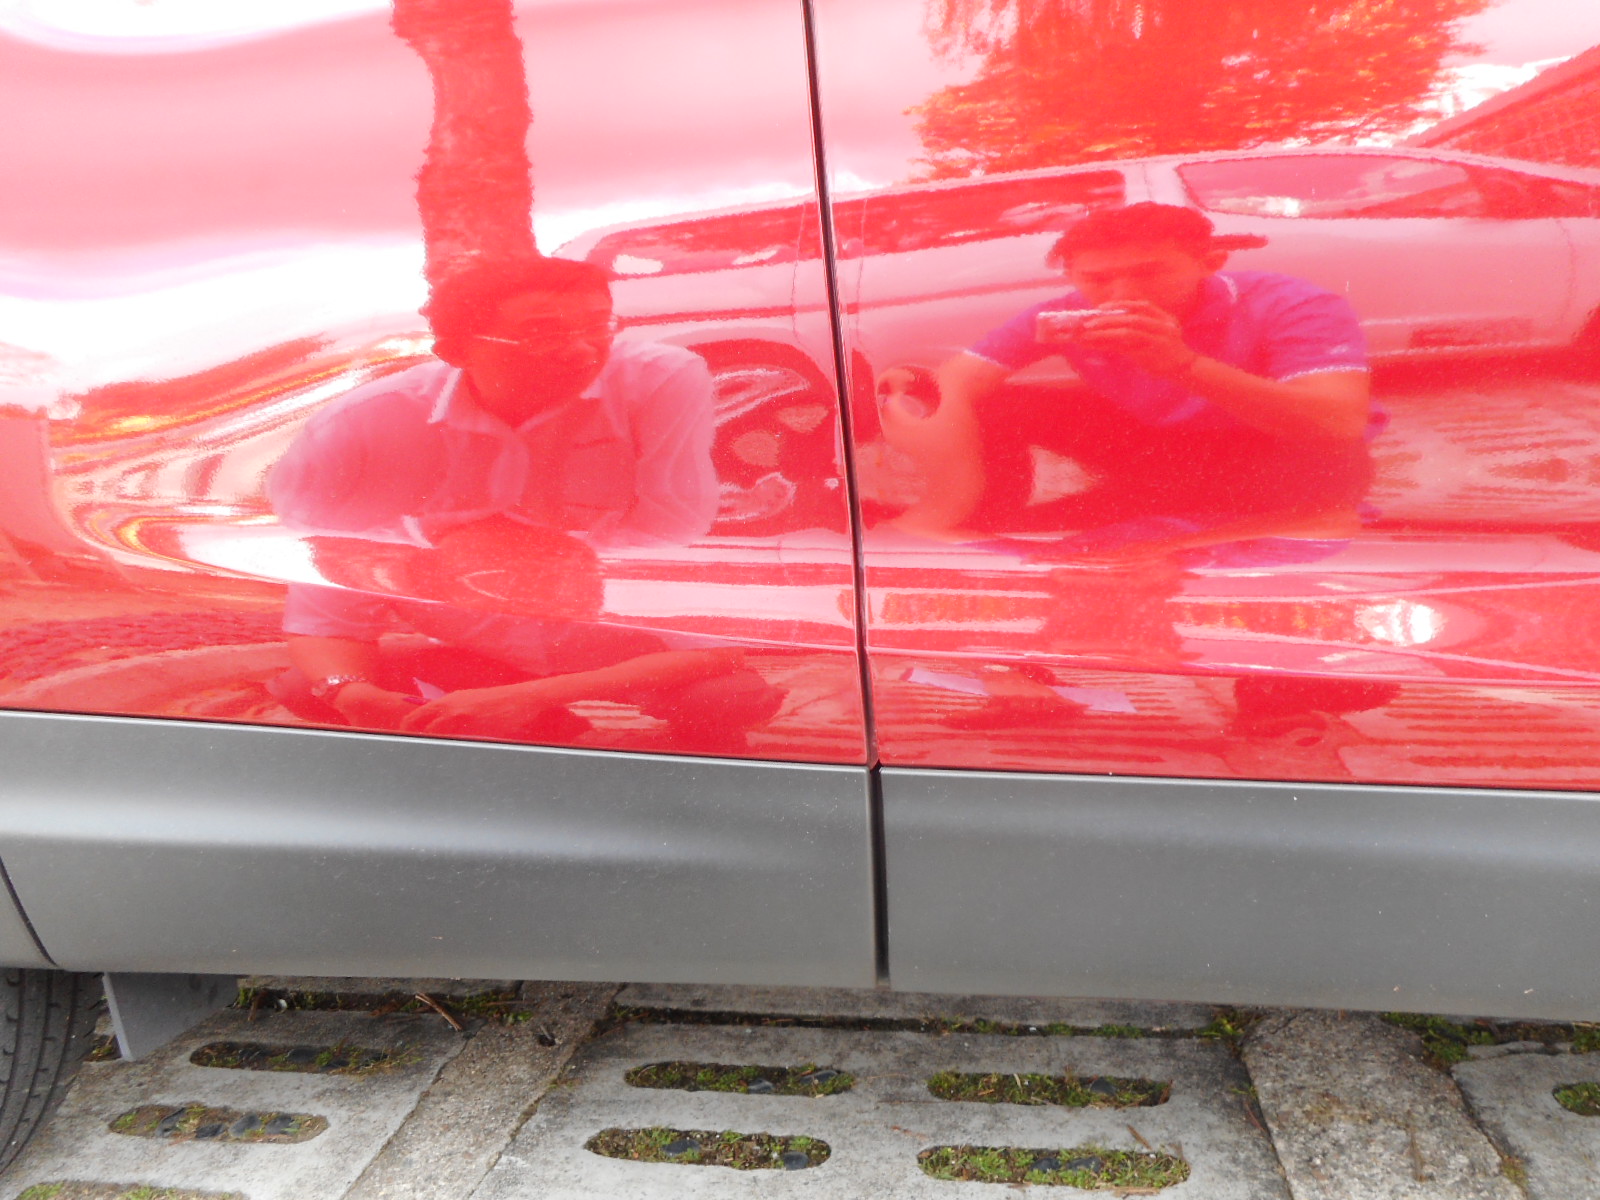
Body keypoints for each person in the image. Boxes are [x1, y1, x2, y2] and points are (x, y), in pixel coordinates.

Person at [268, 255, 783, 752]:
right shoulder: (366, 427)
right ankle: (537, 727)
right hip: (479, 649)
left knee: (725, 697)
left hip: (613, 645)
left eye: (597, 327)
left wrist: (527, 693)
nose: (581, 352)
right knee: (308, 686)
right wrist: (353, 696)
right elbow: (327, 603)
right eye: (542, 333)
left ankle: (531, 715)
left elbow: (700, 610)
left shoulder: (657, 381)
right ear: (455, 349)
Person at [881, 201, 1375, 549]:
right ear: (1072, 276)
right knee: (986, 404)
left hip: (1280, 457)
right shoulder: (1063, 315)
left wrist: (1183, 365)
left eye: (1149, 273)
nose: (1123, 294)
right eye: (1097, 279)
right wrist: (942, 501)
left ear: (1209, 264)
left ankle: (1139, 541)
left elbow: (1338, 424)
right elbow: (953, 388)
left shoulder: (1292, 304)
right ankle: (986, 524)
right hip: (1157, 446)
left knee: (1122, 547)